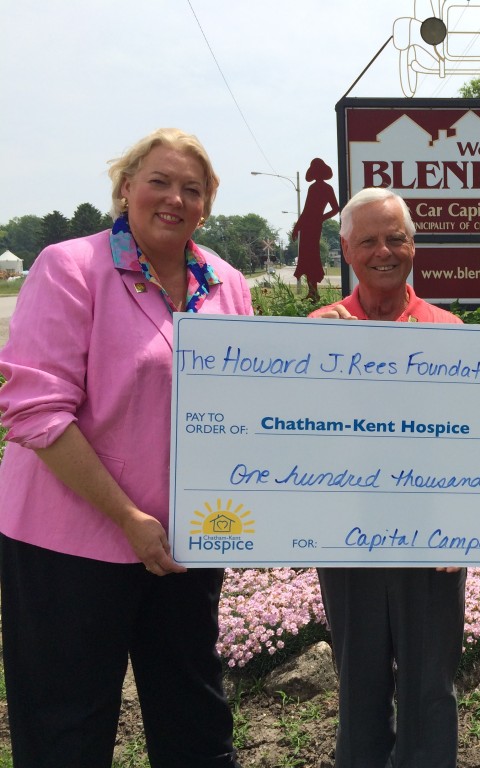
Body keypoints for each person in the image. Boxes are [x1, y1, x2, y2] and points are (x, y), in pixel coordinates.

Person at [0, 128, 251, 767]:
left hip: (184, 542)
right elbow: (35, 410)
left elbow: (250, 401)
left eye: (192, 189)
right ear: (126, 188)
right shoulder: (70, 267)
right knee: (66, 731)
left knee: (195, 724)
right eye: (159, 182)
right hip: (69, 545)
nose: (175, 199)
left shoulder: (226, 283)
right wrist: (127, 517)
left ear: (207, 204)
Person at [308, 187, 466, 768]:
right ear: (346, 249)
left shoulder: (449, 330)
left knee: (430, 686)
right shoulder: (316, 332)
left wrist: (464, 522)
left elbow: (475, 440)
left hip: (432, 539)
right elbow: (296, 437)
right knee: (359, 683)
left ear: (413, 247)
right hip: (345, 537)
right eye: (369, 240)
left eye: (395, 238)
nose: (384, 251)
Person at [292, 157, 341, 301]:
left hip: (313, 226)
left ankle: (314, 291)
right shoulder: (313, 188)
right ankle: (312, 291)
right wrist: (298, 227)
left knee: (312, 256)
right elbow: (307, 210)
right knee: (306, 257)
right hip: (307, 225)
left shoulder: (326, 188)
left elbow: (336, 208)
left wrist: (321, 218)